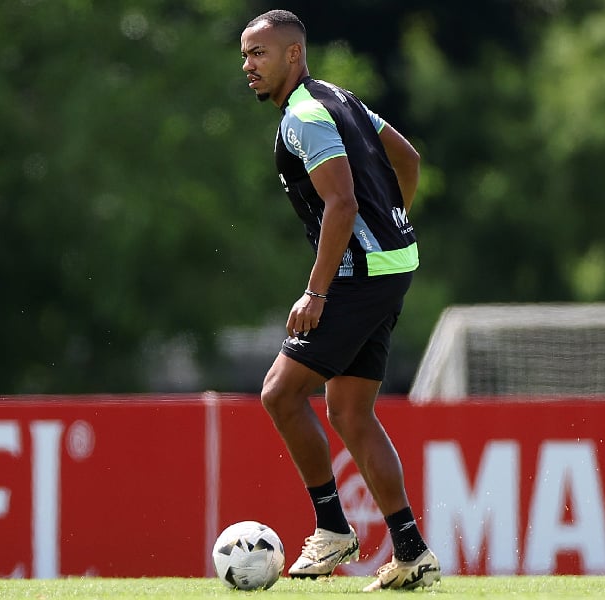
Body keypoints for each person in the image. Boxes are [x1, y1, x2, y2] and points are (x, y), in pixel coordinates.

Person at [239, 10, 440, 592]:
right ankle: (410, 552)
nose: (249, 66)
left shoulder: (304, 114)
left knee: (280, 393)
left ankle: (331, 527)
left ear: (293, 55)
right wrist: (394, 224)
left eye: (259, 54)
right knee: (350, 412)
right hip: (394, 265)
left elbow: (342, 204)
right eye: (246, 55)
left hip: (359, 276)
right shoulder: (341, 98)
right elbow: (409, 160)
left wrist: (316, 291)